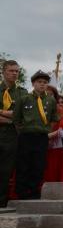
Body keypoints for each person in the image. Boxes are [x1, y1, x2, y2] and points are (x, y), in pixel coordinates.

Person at [13, 70, 58, 199]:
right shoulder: (24, 99)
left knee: (38, 165)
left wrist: (47, 131)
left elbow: (54, 119)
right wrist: (21, 132)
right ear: (33, 83)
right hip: (26, 136)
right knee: (23, 164)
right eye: (39, 82)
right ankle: (21, 192)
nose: (42, 85)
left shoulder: (50, 101)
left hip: (42, 137)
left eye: (45, 82)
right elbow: (16, 119)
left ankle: (34, 192)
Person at [0, 60, 28, 207]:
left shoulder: (22, 92)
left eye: (16, 71)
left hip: (11, 137)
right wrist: (12, 118)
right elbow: (16, 116)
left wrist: (3, 114)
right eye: (11, 70)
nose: (14, 73)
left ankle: (1, 203)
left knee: (6, 170)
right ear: (4, 71)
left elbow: (22, 114)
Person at [44, 95, 63, 182]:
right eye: (58, 103)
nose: (60, 104)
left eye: (62, 102)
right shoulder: (48, 117)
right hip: (52, 149)